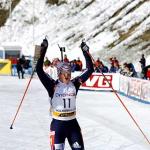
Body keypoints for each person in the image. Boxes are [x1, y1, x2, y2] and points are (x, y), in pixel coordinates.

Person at [36, 39, 94, 150]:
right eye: (64, 74)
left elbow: (90, 69)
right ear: (59, 74)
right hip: (57, 126)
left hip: (73, 126)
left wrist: (85, 51)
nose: (67, 76)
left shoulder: (75, 83)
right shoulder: (52, 85)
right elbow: (39, 70)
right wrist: (42, 49)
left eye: (69, 73)